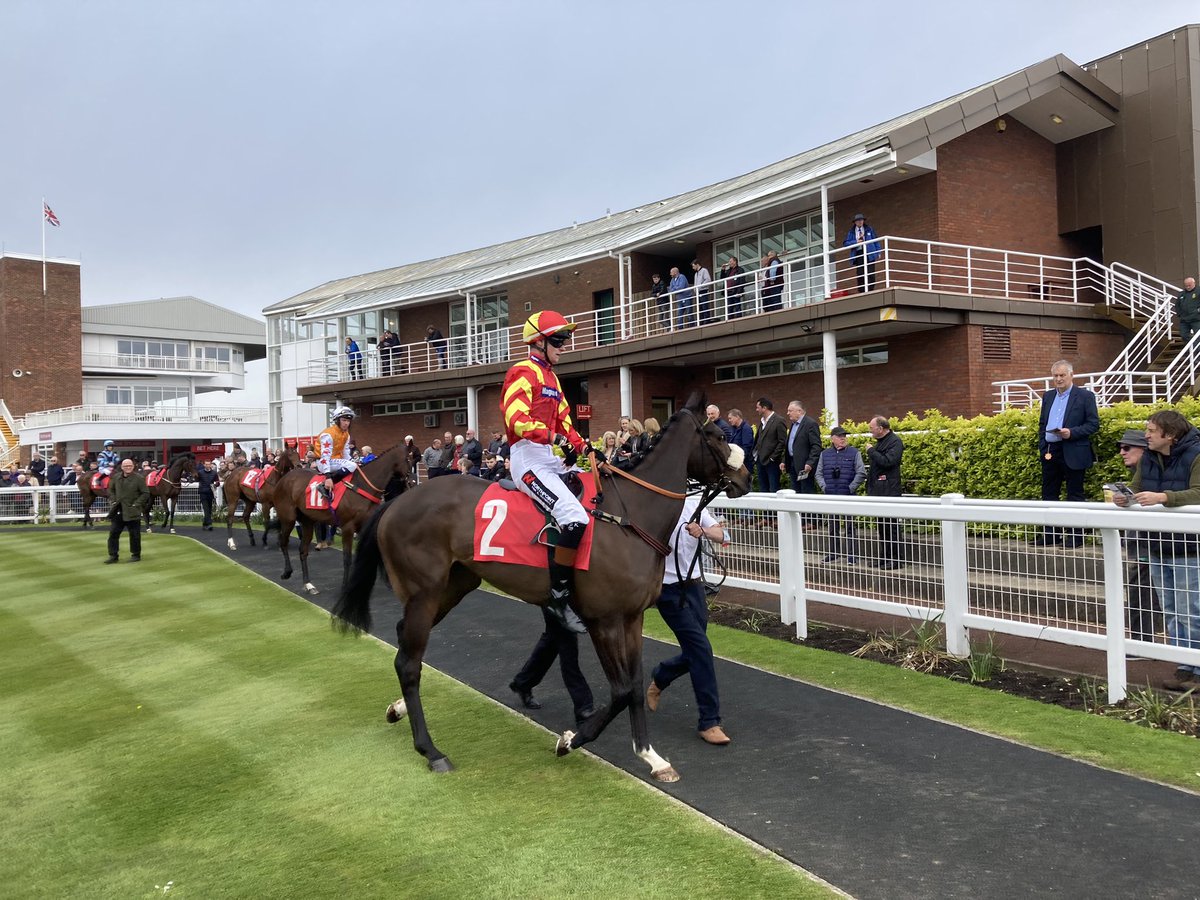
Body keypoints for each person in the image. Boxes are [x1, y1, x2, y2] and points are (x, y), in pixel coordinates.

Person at [502, 310, 598, 634]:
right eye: (558, 340)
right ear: (539, 343)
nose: (564, 346)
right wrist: (551, 436)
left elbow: (567, 424)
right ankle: (558, 596)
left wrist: (585, 448)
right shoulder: (522, 372)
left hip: (547, 456)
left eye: (564, 340)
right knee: (575, 517)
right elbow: (516, 419)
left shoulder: (554, 380)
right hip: (526, 459)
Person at [1113, 410, 1200, 691]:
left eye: (1151, 430)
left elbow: (1199, 492)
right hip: (1156, 544)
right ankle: (1183, 667)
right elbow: (1137, 489)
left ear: (1170, 435)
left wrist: (1163, 497)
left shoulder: (1197, 453)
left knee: (1191, 610)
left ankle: (1197, 669)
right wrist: (1124, 497)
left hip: (1190, 547)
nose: (1146, 435)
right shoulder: (1149, 456)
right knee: (1171, 610)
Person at [645, 495, 731, 745]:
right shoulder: (653, 505)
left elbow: (724, 536)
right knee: (701, 649)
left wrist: (702, 530)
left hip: (695, 588)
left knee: (695, 651)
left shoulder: (695, 505)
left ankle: (661, 675)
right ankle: (709, 722)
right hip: (668, 591)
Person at [1035, 360, 1099, 547]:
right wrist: (1042, 445)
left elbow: (1093, 424)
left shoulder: (1085, 396)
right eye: (1055, 376)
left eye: (1062, 375)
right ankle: (1051, 535)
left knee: (1075, 494)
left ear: (1071, 375)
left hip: (1073, 448)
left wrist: (1072, 433)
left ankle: (1076, 537)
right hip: (1051, 450)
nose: (1058, 379)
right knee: (1049, 493)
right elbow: (1042, 424)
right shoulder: (1047, 396)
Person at [508, 606, 596, 725]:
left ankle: (523, 682)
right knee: (567, 644)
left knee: (552, 639)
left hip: (560, 600)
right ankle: (583, 707)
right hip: (556, 599)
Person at [1114, 429, 1162, 643]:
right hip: (1141, 543)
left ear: (1143, 450)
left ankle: (1143, 643)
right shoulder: (1139, 475)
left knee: (1141, 591)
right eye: (1120, 448)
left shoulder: (1155, 472)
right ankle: (1142, 641)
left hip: (1151, 544)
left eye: (1127, 448)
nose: (1122, 452)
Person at [816, 426, 867, 563]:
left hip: (848, 496)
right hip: (831, 495)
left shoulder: (854, 452)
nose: (843, 438)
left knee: (850, 527)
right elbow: (818, 473)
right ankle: (833, 553)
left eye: (844, 435)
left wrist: (851, 488)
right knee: (833, 527)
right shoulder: (824, 454)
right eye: (839, 436)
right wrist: (824, 487)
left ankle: (852, 556)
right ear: (832, 439)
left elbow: (861, 472)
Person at [866, 415, 905, 569]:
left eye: (872, 428)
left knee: (891, 527)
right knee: (882, 527)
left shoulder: (895, 442)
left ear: (881, 429)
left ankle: (896, 559)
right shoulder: (882, 442)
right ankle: (885, 557)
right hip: (879, 491)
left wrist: (871, 452)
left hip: (889, 491)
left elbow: (888, 462)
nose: (870, 431)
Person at [105, 458, 150, 563]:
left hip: (132, 510)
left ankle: (136, 555)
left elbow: (145, 493)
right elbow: (110, 490)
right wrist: (113, 500)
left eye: (130, 466)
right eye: (126, 466)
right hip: (118, 510)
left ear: (133, 466)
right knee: (113, 534)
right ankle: (113, 555)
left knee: (134, 535)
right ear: (122, 467)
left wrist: (136, 504)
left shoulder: (139, 478)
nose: (128, 467)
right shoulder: (116, 477)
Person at [313, 406, 359, 499]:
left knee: (355, 465)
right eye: (344, 420)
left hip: (335, 461)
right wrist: (328, 476)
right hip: (323, 462)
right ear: (337, 420)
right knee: (352, 466)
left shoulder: (346, 434)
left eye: (348, 421)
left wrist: (354, 462)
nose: (346, 423)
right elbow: (325, 457)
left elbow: (346, 452)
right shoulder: (328, 434)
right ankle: (324, 485)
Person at [783, 400, 821, 493]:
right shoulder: (793, 425)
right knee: (795, 492)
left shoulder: (810, 424)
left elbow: (816, 446)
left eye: (790, 410)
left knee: (806, 493)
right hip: (792, 464)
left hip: (805, 467)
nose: (787, 413)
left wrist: (810, 463)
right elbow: (791, 444)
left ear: (799, 411)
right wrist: (784, 461)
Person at [752, 397, 788, 492]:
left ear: (764, 408)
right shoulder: (762, 422)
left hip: (772, 463)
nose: (756, 410)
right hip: (760, 461)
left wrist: (773, 458)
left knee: (773, 489)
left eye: (758, 407)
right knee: (763, 489)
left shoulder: (779, 420)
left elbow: (782, 441)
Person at [843, 212, 881, 293]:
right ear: (855, 222)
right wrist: (856, 242)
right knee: (860, 273)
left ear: (863, 221)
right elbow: (846, 243)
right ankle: (862, 291)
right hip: (859, 253)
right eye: (858, 220)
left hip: (869, 252)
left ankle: (870, 290)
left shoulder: (869, 229)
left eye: (861, 220)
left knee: (870, 272)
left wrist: (878, 252)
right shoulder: (852, 232)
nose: (860, 222)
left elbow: (876, 240)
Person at [196, 458, 219, 530]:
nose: (207, 466)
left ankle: (204, 524)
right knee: (206, 509)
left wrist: (216, 484)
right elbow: (196, 479)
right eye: (206, 464)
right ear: (204, 465)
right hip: (203, 493)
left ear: (211, 465)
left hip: (210, 493)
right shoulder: (200, 472)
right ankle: (209, 524)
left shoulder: (214, 473)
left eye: (209, 464)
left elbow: (217, 482)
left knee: (209, 509)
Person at [1176, 276, 1200, 343]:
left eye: (1189, 285)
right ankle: (1191, 349)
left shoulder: (1199, 291)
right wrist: (1180, 314)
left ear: (1194, 283)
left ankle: (1196, 352)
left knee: (1198, 337)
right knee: (1183, 335)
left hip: (1197, 319)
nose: (1188, 287)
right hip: (1184, 320)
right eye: (1186, 285)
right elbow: (1177, 305)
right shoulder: (1182, 294)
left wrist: (1198, 311)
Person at [692, 259, 713, 325]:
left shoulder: (704, 270)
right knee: (700, 307)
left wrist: (700, 286)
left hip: (703, 291)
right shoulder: (696, 274)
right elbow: (695, 283)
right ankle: (701, 321)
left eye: (693, 266)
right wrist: (695, 290)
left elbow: (708, 280)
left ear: (697, 264)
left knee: (705, 306)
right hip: (698, 292)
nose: (693, 268)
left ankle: (706, 320)